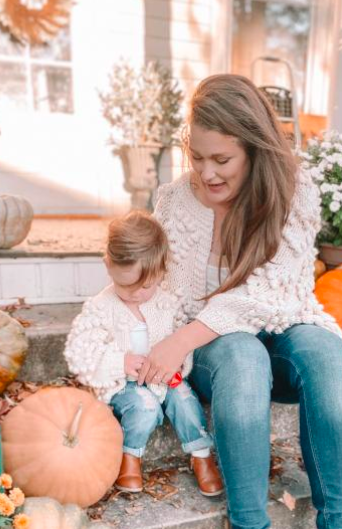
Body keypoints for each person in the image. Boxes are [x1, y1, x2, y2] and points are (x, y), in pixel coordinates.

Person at [138, 74, 342, 529]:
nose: (208, 172)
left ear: (255, 147)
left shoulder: (295, 192)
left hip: (286, 322)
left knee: (327, 356)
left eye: (222, 158)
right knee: (243, 362)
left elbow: (276, 290)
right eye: (197, 157)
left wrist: (184, 334)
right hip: (220, 346)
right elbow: (167, 292)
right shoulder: (171, 202)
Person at [64, 210, 223, 497]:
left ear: (162, 271)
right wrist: (119, 362)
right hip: (123, 384)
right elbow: (79, 352)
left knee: (185, 400)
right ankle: (129, 457)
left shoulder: (167, 303)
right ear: (108, 265)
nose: (136, 294)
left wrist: (177, 365)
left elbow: (181, 340)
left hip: (163, 377)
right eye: (126, 285)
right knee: (145, 407)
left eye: (146, 286)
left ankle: (202, 456)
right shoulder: (101, 308)